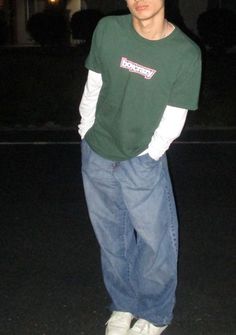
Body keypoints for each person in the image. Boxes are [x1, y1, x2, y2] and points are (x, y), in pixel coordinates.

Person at [78, 1, 201, 334]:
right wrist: (86, 130)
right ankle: (123, 305)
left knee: (155, 242)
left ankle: (155, 313)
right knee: (111, 239)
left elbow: (175, 117)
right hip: (97, 152)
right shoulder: (109, 31)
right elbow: (94, 84)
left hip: (141, 160)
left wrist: (150, 154)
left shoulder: (184, 53)